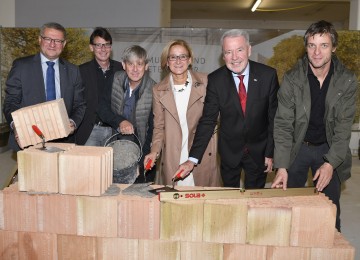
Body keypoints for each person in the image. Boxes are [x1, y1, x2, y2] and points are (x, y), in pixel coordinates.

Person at [271, 20, 357, 232]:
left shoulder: (347, 80)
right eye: (312, 45)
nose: (317, 52)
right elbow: (283, 124)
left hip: (329, 147)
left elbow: (343, 128)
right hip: (298, 147)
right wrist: (281, 166)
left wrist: (330, 164)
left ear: (334, 47)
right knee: (289, 208)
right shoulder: (292, 79)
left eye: (324, 45)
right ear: (306, 47)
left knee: (330, 209)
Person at [174, 29, 279, 189]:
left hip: (259, 153)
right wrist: (192, 159)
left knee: (255, 200)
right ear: (223, 56)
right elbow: (208, 120)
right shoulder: (216, 80)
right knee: (229, 200)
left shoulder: (268, 75)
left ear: (249, 50)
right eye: (228, 52)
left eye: (239, 50)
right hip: (230, 154)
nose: (235, 57)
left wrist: (270, 153)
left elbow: (274, 118)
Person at [143, 39, 221, 187]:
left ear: (190, 60)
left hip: (201, 153)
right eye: (173, 57)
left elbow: (214, 118)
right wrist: (154, 152)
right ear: (167, 61)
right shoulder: (158, 90)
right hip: (173, 154)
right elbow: (159, 127)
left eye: (182, 56)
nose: (178, 61)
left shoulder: (206, 82)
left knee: (202, 202)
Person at [3, 22, 86, 151]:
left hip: (63, 141)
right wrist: (17, 127)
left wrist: (73, 123)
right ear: (40, 39)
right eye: (48, 39)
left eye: (58, 41)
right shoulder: (21, 66)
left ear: (64, 44)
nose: (52, 44)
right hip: (29, 140)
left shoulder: (73, 71)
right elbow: (10, 102)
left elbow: (79, 104)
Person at [98, 45, 156, 183]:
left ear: (146, 66)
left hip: (142, 148)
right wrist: (119, 121)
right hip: (113, 147)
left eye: (140, 64)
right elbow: (102, 108)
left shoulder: (155, 90)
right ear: (123, 65)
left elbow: (154, 129)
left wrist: (141, 162)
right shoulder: (114, 80)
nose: (135, 69)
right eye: (130, 64)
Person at [76, 27, 123, 146]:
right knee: (89, 165)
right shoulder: (81, 71)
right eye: (98, 45)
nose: (103, 49)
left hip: (115, 131)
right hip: (90, 132)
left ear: (111, 48)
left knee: (113, 165)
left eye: (106, 45)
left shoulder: (121, 69)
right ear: (91, 47)